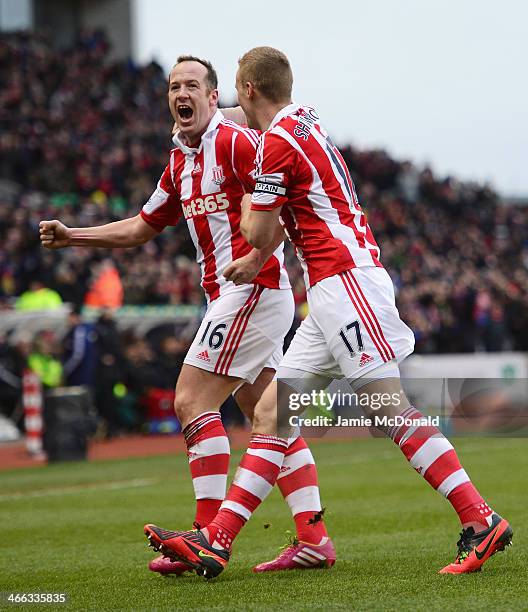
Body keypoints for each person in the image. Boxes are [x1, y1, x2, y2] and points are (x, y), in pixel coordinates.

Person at [144, 47, 513, 578]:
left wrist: (241, 209)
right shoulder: (303, 119)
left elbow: (258, 231)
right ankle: (218, 540)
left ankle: (480, 520)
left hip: (346, 282)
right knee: (273, 415)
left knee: (389, 410)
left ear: (246, 91)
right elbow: (267, 214)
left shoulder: (275, 143)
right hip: (328, 291)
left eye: (234, 96)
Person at [40, 56, 335, 574]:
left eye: (193, 85)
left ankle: (204, 535)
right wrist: (74, 236)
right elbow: (140, 227)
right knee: (269, 416)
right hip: (237, 298)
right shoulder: (179, 163)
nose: (183, 93)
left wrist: (258, 257)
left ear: (214, 94)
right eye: (174, 86)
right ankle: (313, 536)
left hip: (252, 292)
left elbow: (283, 205)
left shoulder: (236, 142)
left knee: (190, 399)